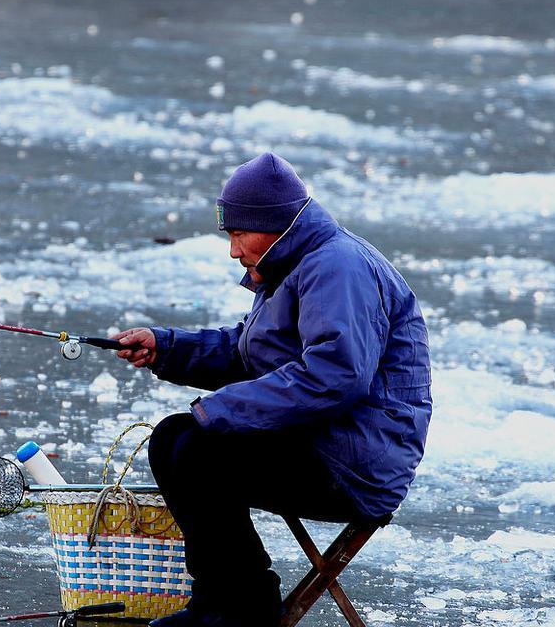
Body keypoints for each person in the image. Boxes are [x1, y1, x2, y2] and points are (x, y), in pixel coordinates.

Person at [115, 153, 432, 627]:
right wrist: (167, 347)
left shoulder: (338, 268)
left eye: (239, 233)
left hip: (355, 462)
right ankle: (222, 602)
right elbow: (251, 354)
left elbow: (335, 375)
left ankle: (241, 610)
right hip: (322, 440)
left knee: (196, 448)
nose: (232, 250)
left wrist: (219, 409)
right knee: (176, 439)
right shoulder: (295, 263)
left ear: (275, 225)